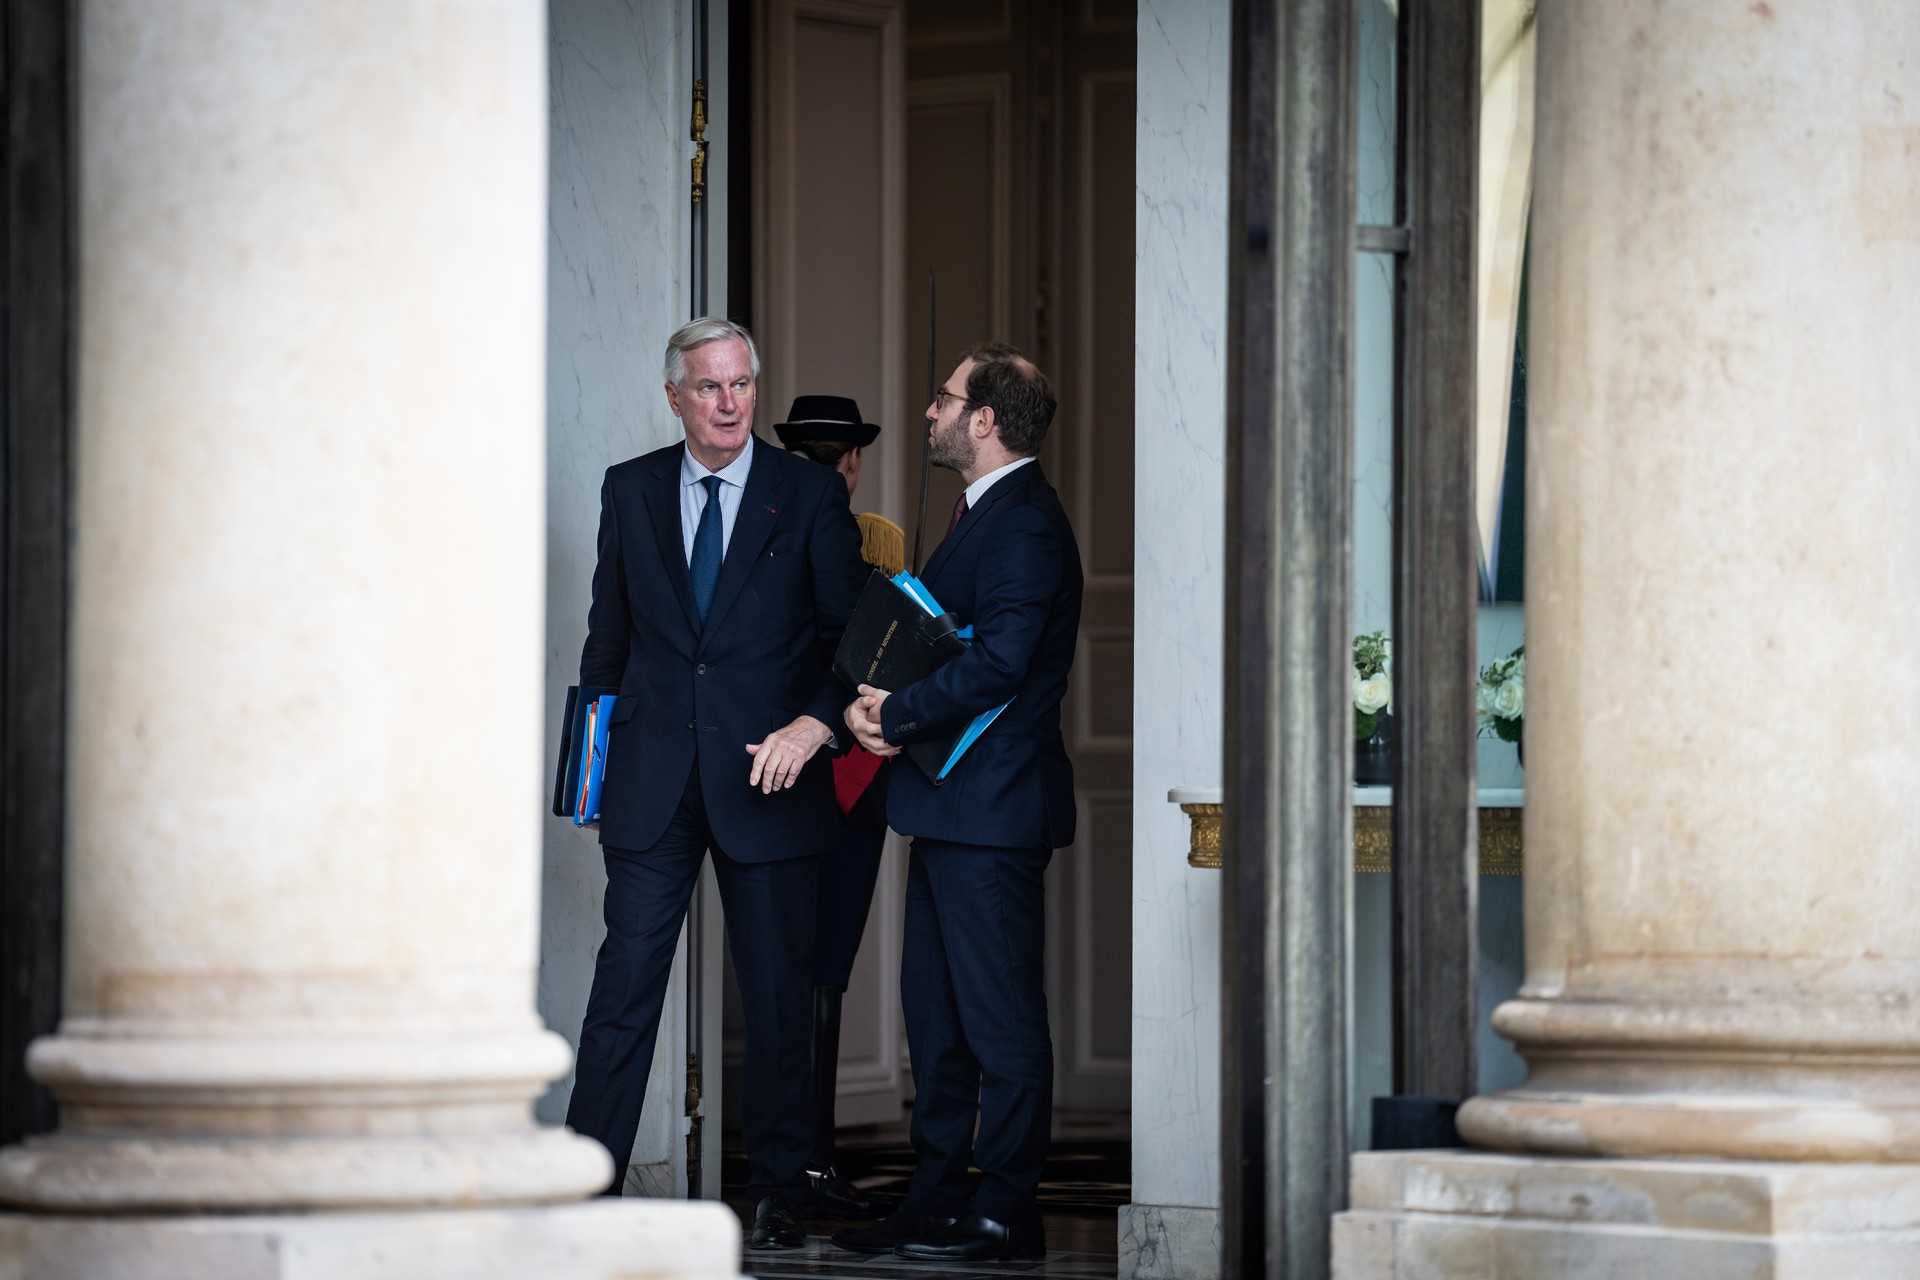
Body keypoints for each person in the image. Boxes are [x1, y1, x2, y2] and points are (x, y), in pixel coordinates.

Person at [565, 318, 867, 1251]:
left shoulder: (809, 493)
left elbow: (848, 638)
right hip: (653, 781)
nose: (732, 403)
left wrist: (814, 729)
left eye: (743, 385)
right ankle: (583, 1182)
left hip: (770, 780)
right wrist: (586, 780)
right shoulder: (632, 488)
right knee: (624, 986)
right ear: (675, 397)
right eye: (711, 388)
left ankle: (777, 1187)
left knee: (777, 995)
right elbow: (606, 643)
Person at [836, 344, 1082, 1262]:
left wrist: (895, 714)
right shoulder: (984, 513)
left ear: (985, 420)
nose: (930, 411)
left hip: (994, 809)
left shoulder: (1022, 523)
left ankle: (1007, 1210)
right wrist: (874, 703)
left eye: (945, 400)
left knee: (1001, 1019)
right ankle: (937, 1198)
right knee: (936, 1020)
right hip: (948, 807)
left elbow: (1000, 664)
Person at [773, 395, 904, 1219]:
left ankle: (806, 1159)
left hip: (812, 772)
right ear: (851, 462)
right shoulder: (862, 542)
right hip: (819, 770)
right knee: (814, 970)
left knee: (801, 969)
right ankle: (806, 1161)